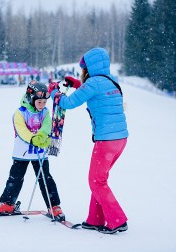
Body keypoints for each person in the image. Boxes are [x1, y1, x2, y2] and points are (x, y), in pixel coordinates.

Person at [48, 47, 129, 234]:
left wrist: (54, 93)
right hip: (120, 139)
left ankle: (118, 221)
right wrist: (76, 83)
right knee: (99, 180)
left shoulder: (93, 84)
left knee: (96, 181)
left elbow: (68, 103)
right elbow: (92, 90)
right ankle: (95, 220)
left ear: (88, 67)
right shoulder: (111, 80)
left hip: (106, 140)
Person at [0, 81, 65, 221]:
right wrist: (33, 138)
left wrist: (42, 137)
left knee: (45, 179)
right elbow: (21, 130)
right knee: (15, 178)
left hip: (39, 153)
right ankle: (8, 203)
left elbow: (47, 126)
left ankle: (54, 206)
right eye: (39, 102)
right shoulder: (20, 113)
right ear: (31, 98)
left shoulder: (46, 112)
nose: (42, 105)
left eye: (44, 102)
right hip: (21, 152)